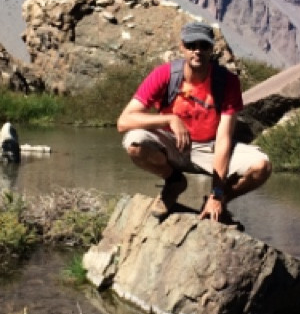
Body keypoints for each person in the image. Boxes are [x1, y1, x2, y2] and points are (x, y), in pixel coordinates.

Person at [116, 20, 272, 224]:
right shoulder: (164, 74)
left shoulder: (228, 82)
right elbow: (124, 121)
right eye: (191, 45)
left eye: (203, 46)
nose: (197, 51)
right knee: (134, 143)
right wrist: (170, 119)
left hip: (210, 148)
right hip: (172, 144)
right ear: (182, 47)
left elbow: (223, 138)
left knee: (262, 166)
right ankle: (174, 181)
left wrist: (217, 192)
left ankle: (220, 201)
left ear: (211, 49)